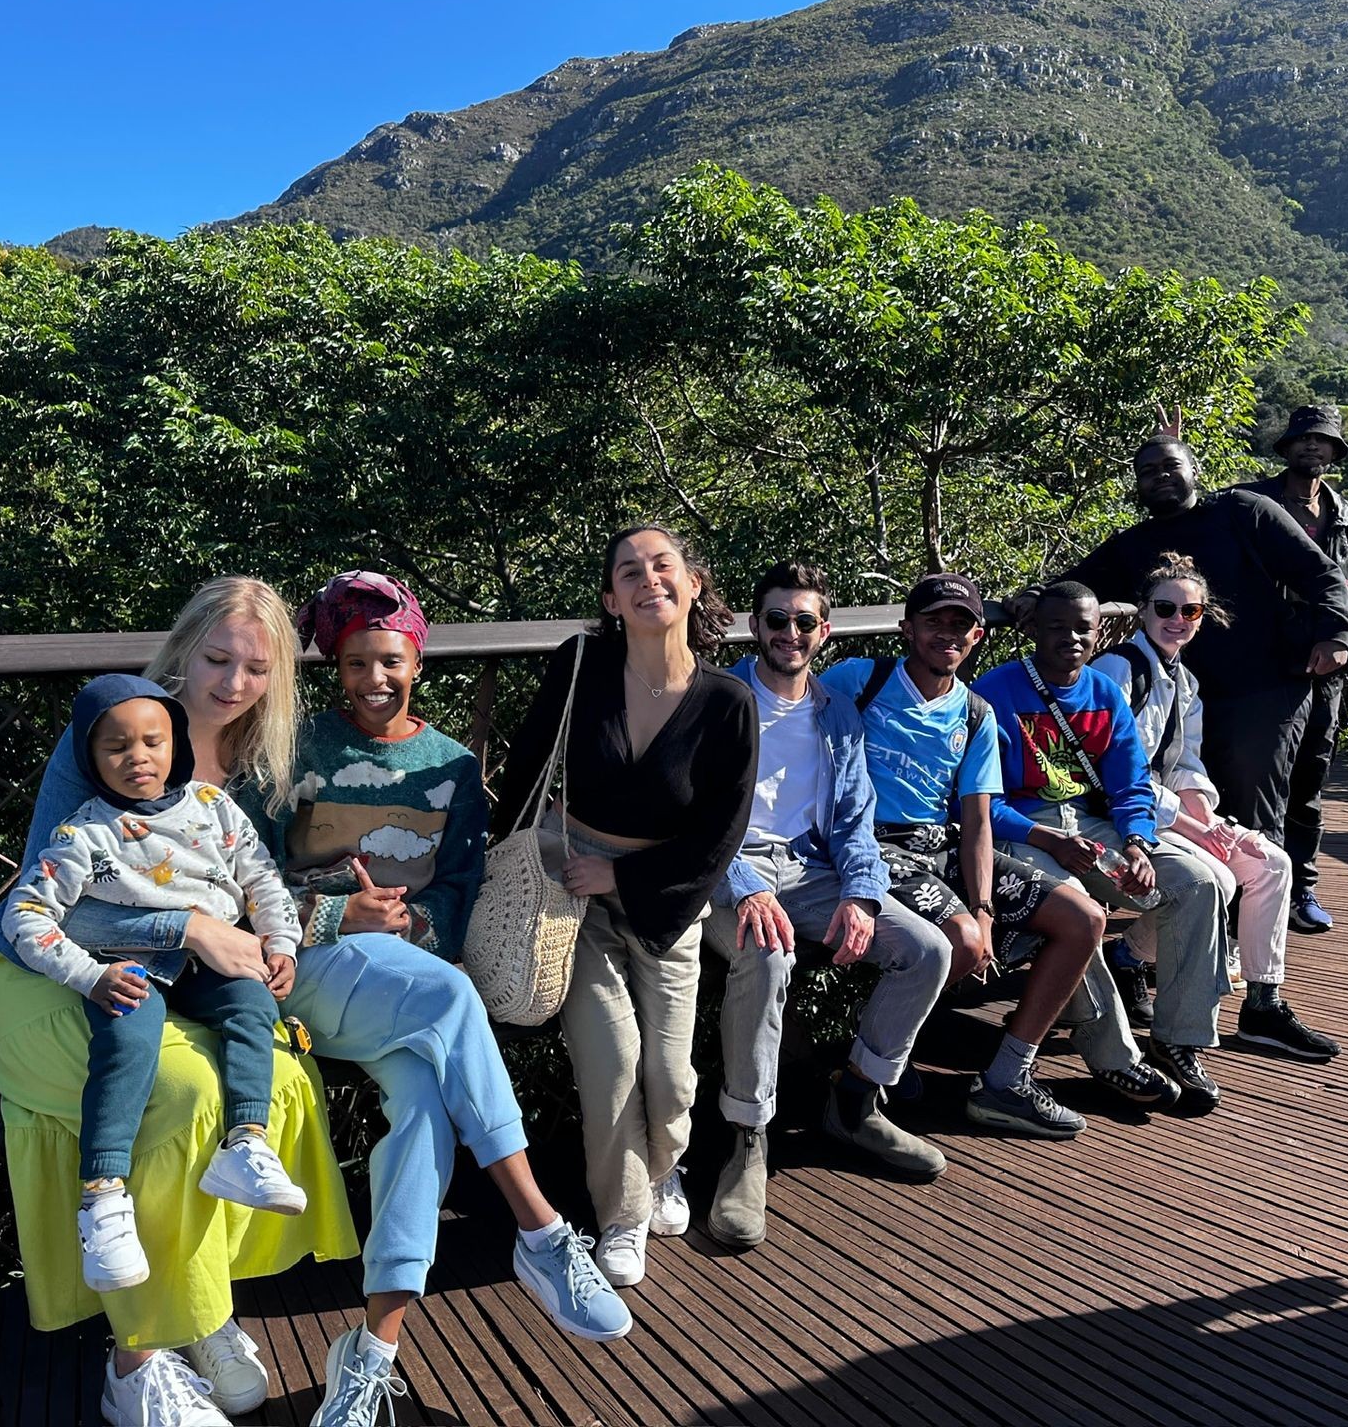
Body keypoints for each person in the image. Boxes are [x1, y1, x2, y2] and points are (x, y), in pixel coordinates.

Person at [250, 571, 632, 1427]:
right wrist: (338, 912)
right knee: (454, 1000)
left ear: (416, 660)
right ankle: (539, 1226)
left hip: (405, 987)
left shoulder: (452, 767)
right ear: (334, 667)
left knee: (423, 1106)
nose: (372, 679)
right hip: (305, 972)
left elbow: (458, 890)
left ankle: (371, 1351)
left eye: (389, 660)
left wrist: (406, 926)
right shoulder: (294, 749)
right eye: (354, 664)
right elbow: (247, 877)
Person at [0, 577, 359, 1426]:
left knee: (268, 1080)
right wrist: (187, 928)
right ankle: (137, 1359)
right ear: (181, 652)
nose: (231, 683)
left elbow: (264, 880)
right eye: (216, 658)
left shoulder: (260, 763)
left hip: (193, 980)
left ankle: (201, 1304)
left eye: (255, 668)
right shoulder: (116, 734)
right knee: (181, 1094)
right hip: (56, 970)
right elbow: (53, 901)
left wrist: (310, 923)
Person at [494, 525, 757, 1289]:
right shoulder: (581, 666)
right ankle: (623, 1216)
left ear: (693, 583)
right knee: (612, 1068)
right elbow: (523, 772)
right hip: (570, 892)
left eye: (663, 566)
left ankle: (665, 1170)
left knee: (671, 1077)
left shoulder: (727, 703)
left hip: (667, 896)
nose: (649, 582)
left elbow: (720, 834)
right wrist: (498, 870)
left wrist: (626, 879)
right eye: (629, 573)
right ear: (611, 599)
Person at [0, 675, 308, 1303]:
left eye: (153, 741)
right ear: (89, 758)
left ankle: (246, 1144)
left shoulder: (214, 808)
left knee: (252, 1003)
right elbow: (24, 916)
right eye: (116, 747)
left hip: (207, 963)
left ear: (176, 744)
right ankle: (103, 1199)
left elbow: (264, 879)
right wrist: (89, 976)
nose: (138, 757)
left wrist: (281, 943)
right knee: (129, 1046)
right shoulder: (82, 834)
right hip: (126, 965)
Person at [821, 573, 1176, 1119]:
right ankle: (868, 1059)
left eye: (959, 624)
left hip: (942, 844)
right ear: (906, 628)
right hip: (872, 843)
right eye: (933, 622)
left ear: (977, 636)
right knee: (962, 943)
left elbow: (979, 818)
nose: (946, 634)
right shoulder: (859, 680)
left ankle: (1006, 1079)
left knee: (1082, 918)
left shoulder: (974, 712)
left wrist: (986, 908)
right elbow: (785, 704)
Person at [704, 562, 953, 1251]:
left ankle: (857, 1101)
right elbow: (693, 819)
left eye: (804, 621)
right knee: (767, 952)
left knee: (927, 949)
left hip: (809, 870)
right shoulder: (719, 699)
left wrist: (861, 894)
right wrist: (744, 885)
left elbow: (854, 823)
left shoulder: (837, 712)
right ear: (752, 626)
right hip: (728, 874)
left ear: (825, 632)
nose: (790, 633)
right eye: (776, 620)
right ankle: (747, 1142)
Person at [1033, 435, 1348, 858]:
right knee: (1200, 809)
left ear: (1194, 471)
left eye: (1171, 465)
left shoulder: (1242, 511)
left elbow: (1318, 571)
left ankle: (1274, 901)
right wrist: (1032, 597)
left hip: (1264, 688)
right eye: (1147, 472)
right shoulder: (1132, 545)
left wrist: (1335, 632)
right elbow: (1074, 585)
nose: (1161, 477)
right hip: (1188, 695)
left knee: (1255, 807)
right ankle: (1210, 910)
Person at [974, 582, 1234, 1109]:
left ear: (1098, 633)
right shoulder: (995, 692)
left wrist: (1138, 842)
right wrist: (1047, 837)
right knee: (1074, 910)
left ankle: (1178, 1039)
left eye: (1082, 629)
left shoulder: (1103, 693)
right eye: (1055, 627)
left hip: (1095, 825)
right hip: (1023, 828)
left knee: (1198, 883)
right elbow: (976, 801)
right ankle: (1114, 1056)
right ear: (1033, 631)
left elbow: (1130, 783)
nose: (1070, 638)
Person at [1089, 554, 1341, 1061]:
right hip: (1116, 812)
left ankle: (1262, 1005)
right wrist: (1190, 825)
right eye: (1166, 608)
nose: (1178, 620)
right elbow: (1112, 771)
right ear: (1142, 610)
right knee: (1219, 878)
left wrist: (1203, 812)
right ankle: (1135, 960)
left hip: (1166, 809)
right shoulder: (1118, 669)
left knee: (1271, 861)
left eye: (1192, 612)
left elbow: (1184, 762)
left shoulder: (1184, 680)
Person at [1235, 405, 1348, 933]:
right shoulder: (1253, 504)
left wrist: (1335, 638)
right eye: (1303, 439)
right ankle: (1254, 886)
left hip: (1327, 663)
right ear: (1286, 447)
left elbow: (1347, 586)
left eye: (1323, 441)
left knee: (1310, 776)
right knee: (1256, 776)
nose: (1312, 448)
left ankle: (1303, 888)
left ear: (1335, 453)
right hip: (1265, 659)